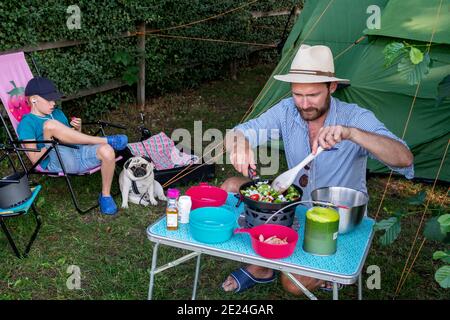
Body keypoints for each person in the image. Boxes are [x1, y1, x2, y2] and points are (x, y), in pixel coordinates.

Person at [221, 44, 414, 295]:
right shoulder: (287, 110)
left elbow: (404, 158)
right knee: (231, 187)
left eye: (312, 95)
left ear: (331, 88)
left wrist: (351, 134)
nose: (303, 104)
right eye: (297, 94)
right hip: (296, 206)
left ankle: (309, 265)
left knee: (293, 284)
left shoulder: (354, 118)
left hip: (337, 218)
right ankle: (263, 267)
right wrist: (239, 145)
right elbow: (238, 132)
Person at [17, 77, 129, 215]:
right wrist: (48, 140)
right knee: (50, 126)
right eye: (49, 100)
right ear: (33, 99)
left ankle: (105, 196)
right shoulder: (27, 123)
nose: (53, 103)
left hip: (77, 153)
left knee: (108, 150)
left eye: (54, 99)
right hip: (58, 162)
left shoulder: (57, 113)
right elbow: (34, 160)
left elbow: (74, 140)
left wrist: (78, 130)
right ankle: (104, 140)